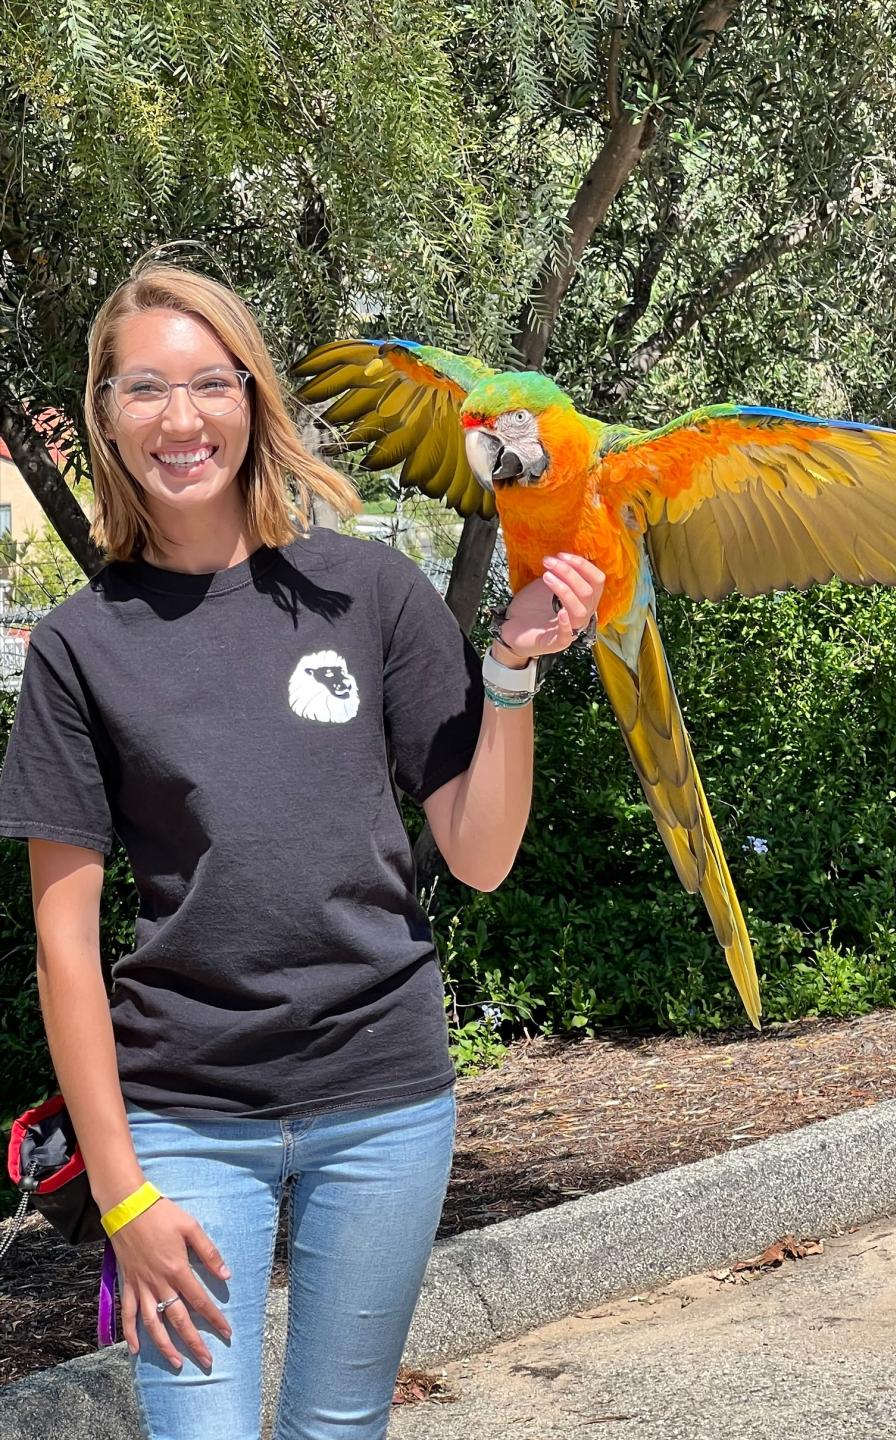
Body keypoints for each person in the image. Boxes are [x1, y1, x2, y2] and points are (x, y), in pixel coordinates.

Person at [0, 262, 604, 1440]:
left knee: (338, 1429)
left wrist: (513, 674)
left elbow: (475, 857)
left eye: (210, 384)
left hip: (383, 1102)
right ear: (107, 415)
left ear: (252, 398)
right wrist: (121, 1198)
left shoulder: (367, 591)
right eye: (145, 389)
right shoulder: (79, 649)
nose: (182, 419)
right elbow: (64, 949)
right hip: (183, 1119)